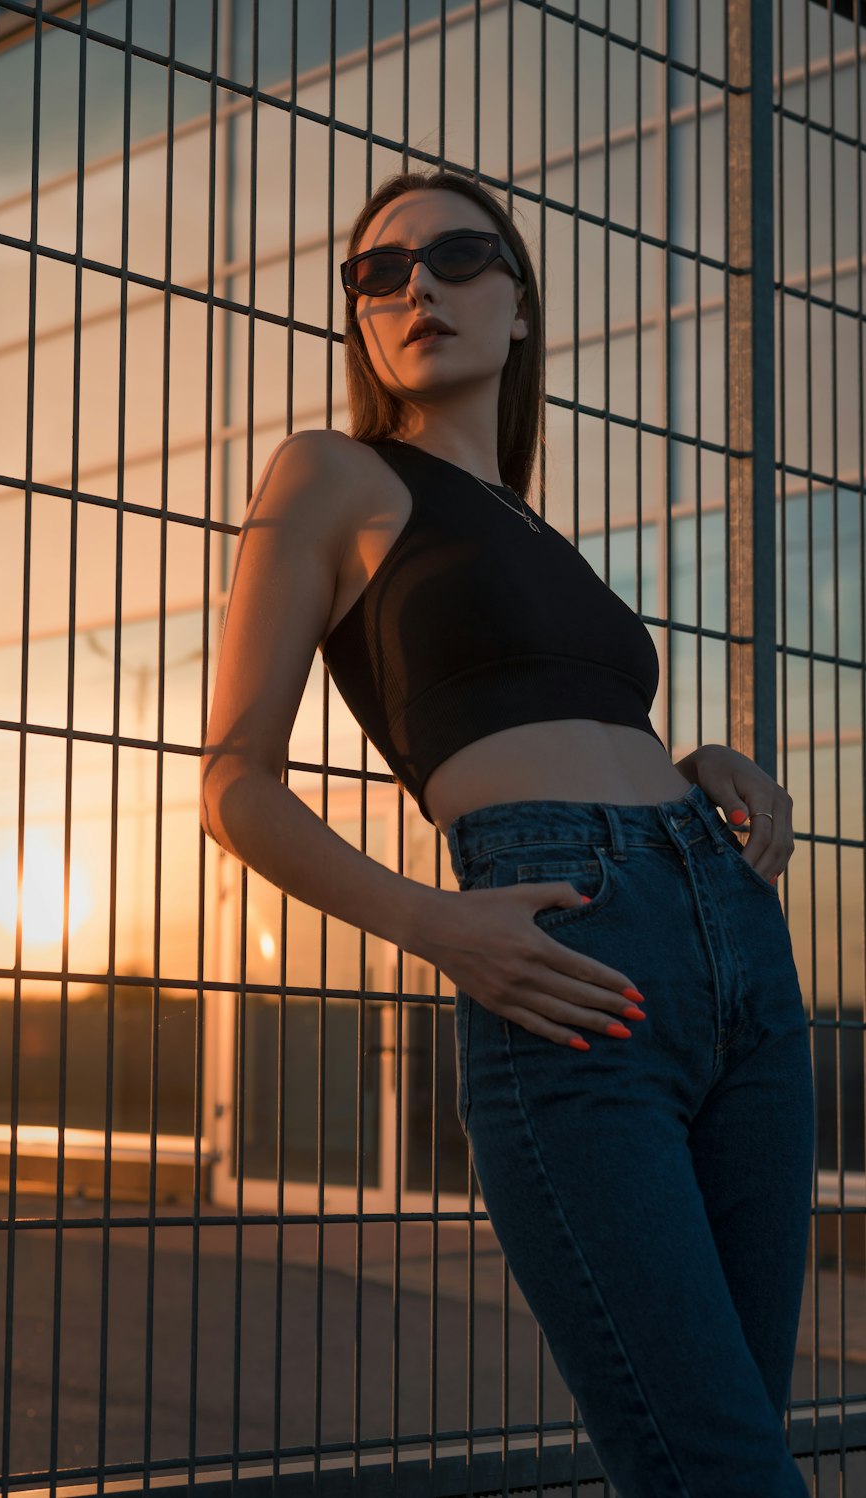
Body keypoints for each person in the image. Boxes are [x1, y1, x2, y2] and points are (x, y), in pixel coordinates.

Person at [200, 167, 813, 1497]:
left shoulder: (541, 533)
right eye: (380, 272)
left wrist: (700, 757)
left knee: (740, 1446)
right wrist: (434, 925)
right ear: (360, 319)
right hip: (562, 955)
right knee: (726, 1469)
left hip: (740, 952)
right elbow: (233, 780)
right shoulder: (333, 475)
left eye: (460, 256)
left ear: (522, 306)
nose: (418, 284)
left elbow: (565, 702)